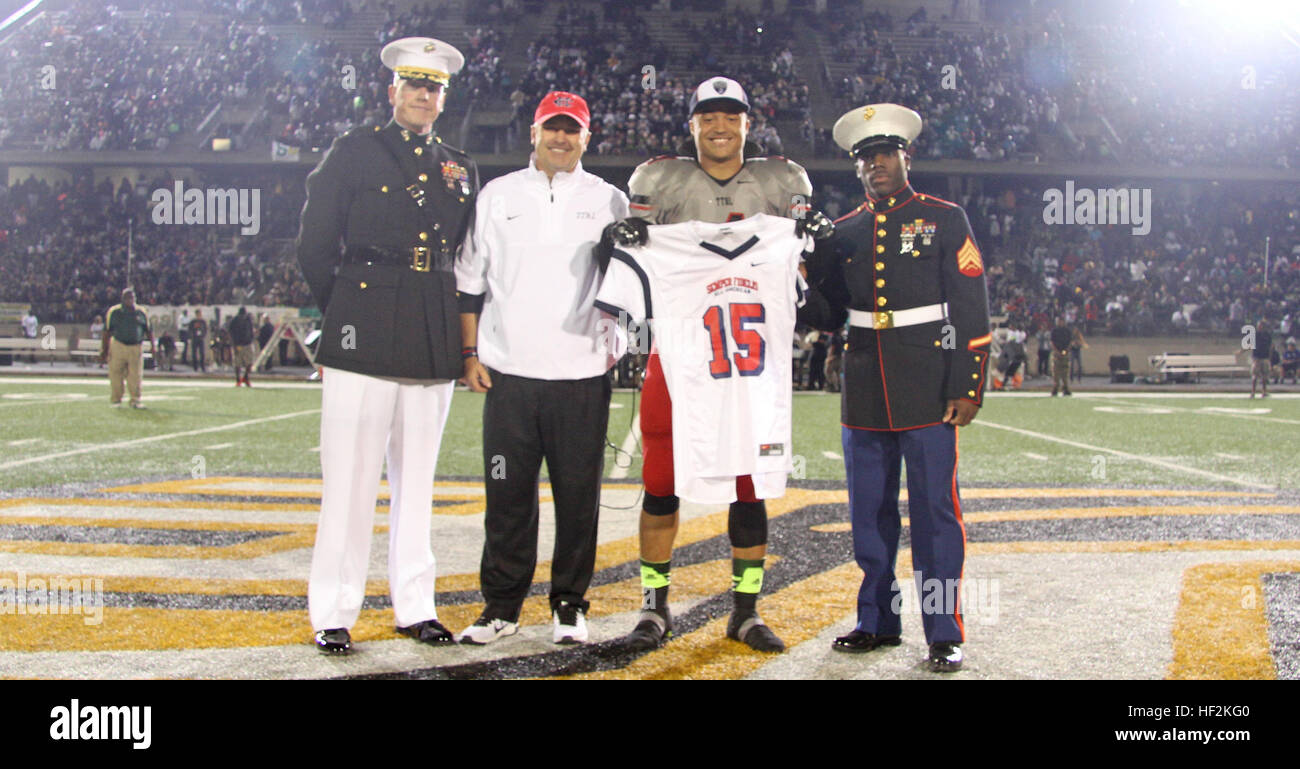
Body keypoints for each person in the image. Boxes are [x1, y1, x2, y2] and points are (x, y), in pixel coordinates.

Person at [604, 76, 834, 653]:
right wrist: (624, 239)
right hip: (678, 361)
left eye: (731, 116)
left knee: (748, 489)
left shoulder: (780, 183)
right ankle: (654, 607)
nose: (720, 126)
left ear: (747, 125)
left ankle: (745, 610)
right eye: (708, 116)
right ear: (693, 125)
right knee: (660, 486)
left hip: (749, 373)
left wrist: (813, 243)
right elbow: (630, 263)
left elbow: (814, 291)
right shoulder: (662, 180)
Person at [296, 37, 478, 655]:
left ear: (444, 98)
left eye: (434, 87)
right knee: (349, 478)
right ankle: (334, 610)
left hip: (431, 321)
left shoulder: (459, 166)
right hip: (363, 324)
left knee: (418, 479)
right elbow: (315, 244)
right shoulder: (354, 150)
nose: (424, 95)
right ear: (393, 90)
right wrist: (346, 309)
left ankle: (415, 606)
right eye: (414, 84)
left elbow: (465, 255)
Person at [803, 103, 991, 673]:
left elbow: (969, 303)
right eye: (865, 158)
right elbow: (827, 317)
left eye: (884, 154)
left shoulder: (944, 217)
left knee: (935, 513)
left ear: (905, 156)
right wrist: (807, 259)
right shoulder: (842, 232)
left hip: (929, 385)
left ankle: (943, 631)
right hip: (863, 384)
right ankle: (877, 622)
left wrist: (968, 384)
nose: (875, 166)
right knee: (868, 515)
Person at [455, 91, 628, 646]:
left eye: (571, 130)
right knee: (507, 496)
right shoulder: (496, 195)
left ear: (586, 137)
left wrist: (620, 340)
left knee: (578, 499)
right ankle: (500, 607)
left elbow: (632, 280)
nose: (561, 139)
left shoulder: (610, 200)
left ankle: (570, 605)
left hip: (580, 376)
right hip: (509, 376)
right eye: (552, 129)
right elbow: (469, 282)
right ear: (533, 133)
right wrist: (469, 354)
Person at [99, 288, 155, 408]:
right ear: (123, 299)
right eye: (128, 298)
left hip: (136, 346)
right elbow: (106, 332)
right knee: (116, 373)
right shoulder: (114, 312)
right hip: (118, 344)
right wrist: (104, 350)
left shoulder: (141, 312)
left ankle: (135, 400)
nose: (130, 300)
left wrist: (152, 347)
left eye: (132, 298)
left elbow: (149, 331)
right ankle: (116, 400)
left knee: (135, 375)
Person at [227, 306, 256, 386]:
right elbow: (231, 333)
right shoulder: (234, 321)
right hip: (239, 344)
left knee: (249, 362)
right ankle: (238, 379)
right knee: (238, 363)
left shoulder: (248, 320)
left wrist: (251, 339)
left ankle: (245, 378)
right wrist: (234, 345)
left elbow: (251, 330)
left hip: (246, 343)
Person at [1050, 316, 1073, 396]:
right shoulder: (1054, 331)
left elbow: (1070, 342)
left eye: (1061, 321)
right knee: (1056, 372)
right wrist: (1056, 351)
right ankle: (1055, 387)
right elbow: (1052, 342)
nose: (1060, 322)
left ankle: (1065, 387)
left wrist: (1066, 350)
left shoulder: (1067, 331)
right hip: (1056, 354)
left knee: (1065, 372)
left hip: (1065, 353)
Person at [1250, 319, 1273, 398]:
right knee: (1255, 375)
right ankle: (1253, 392)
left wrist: (1269, 357)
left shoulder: (1268, 335)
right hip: (1257, 357)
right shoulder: (1255, 334)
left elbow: (1270, 347)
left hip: (1265, 357)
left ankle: (1264, 391)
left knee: (1264, 376)